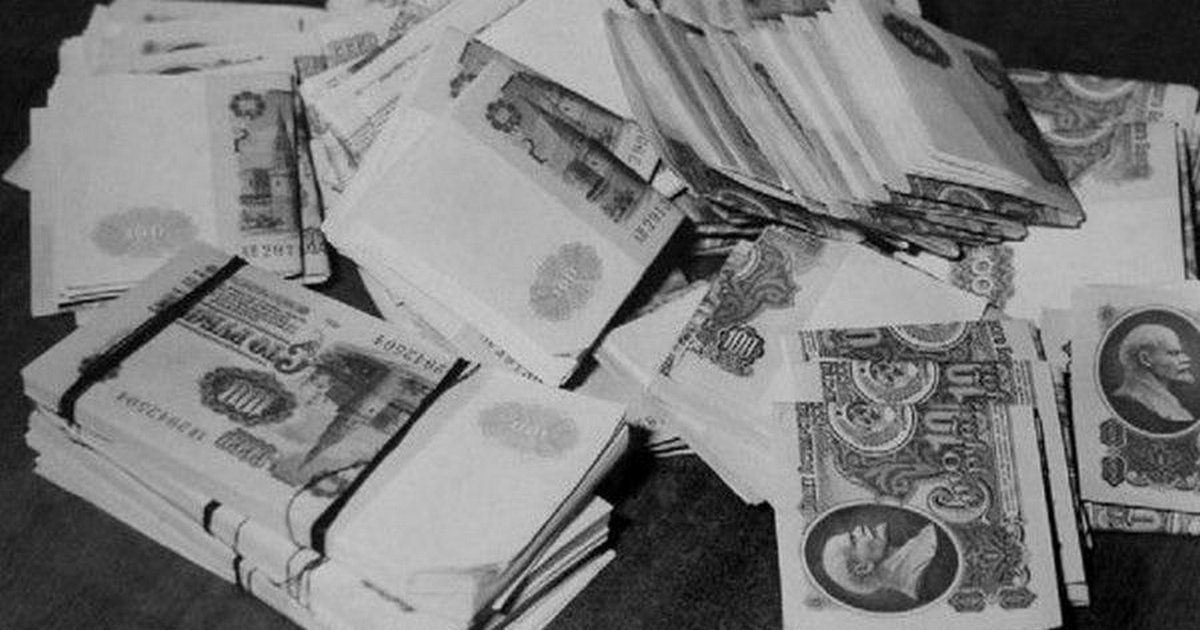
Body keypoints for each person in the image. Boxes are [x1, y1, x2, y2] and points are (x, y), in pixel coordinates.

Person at [821, 520, 938, 605]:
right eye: (854, 540)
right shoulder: (927, 578)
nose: (859, 528)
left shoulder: (915, 554)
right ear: (864, 568)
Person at [1110, 323, 1195, 433]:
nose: (1186, 359)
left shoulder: (1165, 400)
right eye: (1173, 353)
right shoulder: (1131, 404)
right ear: (1145, 359)